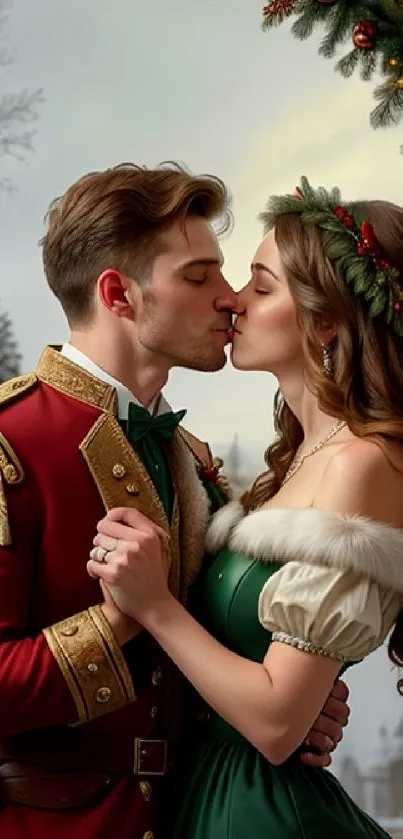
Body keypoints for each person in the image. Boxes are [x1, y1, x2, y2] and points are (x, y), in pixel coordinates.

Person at [0, 166, 347, 839]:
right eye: (198, 276)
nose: (228, 298)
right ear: (118, 293)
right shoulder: (9, 442)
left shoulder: (192, 457)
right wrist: (122, 619)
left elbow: (196, 660)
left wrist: (290, 701)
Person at [89, 176, 403, 838]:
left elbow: (274, 721)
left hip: (262, 816)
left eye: (260, 287)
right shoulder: (290, 466)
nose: (232, 300)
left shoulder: (359, 464)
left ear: (323, 321)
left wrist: (155, 606)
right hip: (210, 800)